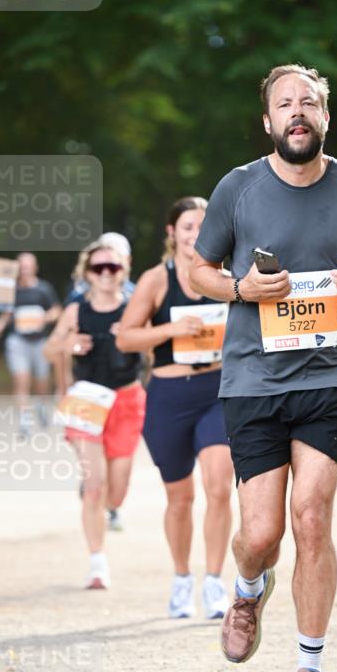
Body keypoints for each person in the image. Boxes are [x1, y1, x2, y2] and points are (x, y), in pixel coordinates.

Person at [190, 63, 337, 672]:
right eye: (285, 105)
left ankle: (308, 670)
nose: (297, 113)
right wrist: (240, 290)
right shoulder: (238, 188)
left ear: (325, 118)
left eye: (308, 103)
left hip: (326, 377)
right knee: (260, 532)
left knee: (311, 513)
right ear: (268, 121)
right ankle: (248, 588)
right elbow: (197, 269)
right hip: (251, 381)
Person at [116, 197, 234, 621]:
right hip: (168, 398)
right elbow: (126, 338)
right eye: (187, 226)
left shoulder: (229, 275)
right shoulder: (155, 279)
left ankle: (216, 582)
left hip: (217, 391)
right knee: (179, 497)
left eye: (203, 226)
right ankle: (182, 578)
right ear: (172, 233)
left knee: (219, 485)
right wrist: (171, 329)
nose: (195, 234)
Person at [44, 241, 146, 589]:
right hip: (87, 400)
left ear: (123, 271)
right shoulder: (75, 311)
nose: (105, 274)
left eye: (112, 267)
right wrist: (68, 346)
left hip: (126, 399)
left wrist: (134, 339)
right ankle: (97, 563)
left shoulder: (136, 307)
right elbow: (49, 348)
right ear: (87, 273)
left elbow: (156, 350)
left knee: (115, 493)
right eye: (98, 268)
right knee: (95, 487)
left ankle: (107, 504)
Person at [0, 252, 61, 435]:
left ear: (35, 268)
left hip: (39, 342)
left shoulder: (44, 289)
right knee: (21, 381)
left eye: (29, 267)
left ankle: (41, 405)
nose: (26, 270)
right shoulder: (11, 290)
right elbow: (6, 313)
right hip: (18, 341)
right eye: (22, 267)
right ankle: (25, 422)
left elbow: (56, 310)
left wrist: (45, 318)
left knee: (42, 383)